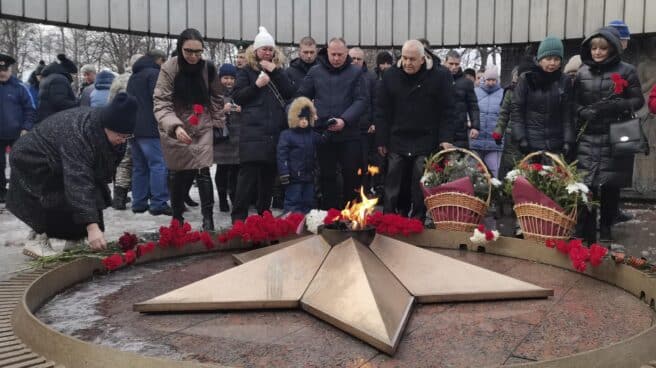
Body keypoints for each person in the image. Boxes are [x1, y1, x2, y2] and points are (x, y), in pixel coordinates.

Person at [6, 93, 137, 258]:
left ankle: (75, 239)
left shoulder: (111, 134)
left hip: (59, 158)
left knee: (88, 191)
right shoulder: (79, 133)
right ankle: (37, 238)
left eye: (127, 136)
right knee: (54, 196)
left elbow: (96, 177)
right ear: (107, 126)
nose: (123, 140)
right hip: (32, 158)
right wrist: (91, 227)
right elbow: (78, 180)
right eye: (120, 135)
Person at [573, 28, 644, 243]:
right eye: (594, 48)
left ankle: (606, 228)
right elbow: (573, 102)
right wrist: (582, 112)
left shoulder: (627, 71)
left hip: (615, 136)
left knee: (610, 185)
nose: (597, 52)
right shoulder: (582, 72)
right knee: (587, 185)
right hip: (588, 137)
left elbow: (638, 100)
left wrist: (616, 106)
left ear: (612, 48)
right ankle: (586, 231)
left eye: (602, 48)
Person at [154, 28, 224, 231]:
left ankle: (208, 220)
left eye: (198, 51)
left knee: (203, 171)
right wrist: (174, 126)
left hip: (201, 124)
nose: (193, 56)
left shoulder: (208, 68)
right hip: (175, 125)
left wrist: (217, 123)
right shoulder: (169, 68)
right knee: (177, 173)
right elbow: (161, 102)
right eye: (188, 51)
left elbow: (217, 97)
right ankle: (177, 219)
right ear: (180, 48)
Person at [376, 40, 455, 219]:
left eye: (412, 59)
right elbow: (381, 110)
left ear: (423, 59)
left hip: (426, 138)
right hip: (397, 137)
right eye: (404, 58)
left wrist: (445, 138)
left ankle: (418, 218)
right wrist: (381, 139)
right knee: (393, 178)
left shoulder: (440, 76)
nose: (407, 63)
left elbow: (448, 110)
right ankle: (390, 216)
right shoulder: (390, 76)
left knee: (420, 179)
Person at [231, 26, 294, 222]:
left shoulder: (279, 70)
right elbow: (238, 97)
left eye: (270, 49)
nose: (267, 52)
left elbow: (291, 92)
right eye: (263, 49)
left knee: (268, 180)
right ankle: (238, 219)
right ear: (256, 50)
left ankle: (264, 217)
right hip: (252, 134)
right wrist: (256, 86)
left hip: (274, 133)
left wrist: (276, 73)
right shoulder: (246, 71)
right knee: (246, 180)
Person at [297, 37, 368, 209]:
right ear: (327, 52)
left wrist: (344, 120)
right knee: (326, 176)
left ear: (346, 53)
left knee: (351, 176)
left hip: (349, 135)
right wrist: (307, 115)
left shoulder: (356, 72)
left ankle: (351, 213)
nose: (336, 58)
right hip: (324, 134)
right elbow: (301, 97)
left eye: (340, 55)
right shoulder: (315, 72)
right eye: (333, 54)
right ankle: (330, 214)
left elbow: (361, 101)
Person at [510, 36, 573, 157]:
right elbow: (517, 110)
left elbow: (567, 113)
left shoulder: (564, 81)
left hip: (556, 144)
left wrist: (568, 141)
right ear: (540, 59)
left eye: (556, 59)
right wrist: (521, 138)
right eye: (548, 59)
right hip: (530, 143)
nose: (552, 63)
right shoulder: (526, 79)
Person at [127, 50, 171, 216]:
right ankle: (158, 203)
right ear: (158, 60)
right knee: (158, 165)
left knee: (139, 166)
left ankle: (139, 202)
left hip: (133, 127)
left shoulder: (134, 76)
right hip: (150, 128)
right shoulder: (154, 74)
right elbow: (159, 100)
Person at [277, 97, 325, 214]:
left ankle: (306, 226)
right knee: (293, 201)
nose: (304, 121)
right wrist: (284, 173)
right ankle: (292, 225)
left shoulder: (312, 135)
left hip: (309, 176)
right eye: (300, 118)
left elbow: (323, 140)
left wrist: (326, 126)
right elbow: (281, 155)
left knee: (309, 202)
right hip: (293, 177)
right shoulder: (287, 135)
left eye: (306, 118)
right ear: (294, 118)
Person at [110, 54, 145, 210]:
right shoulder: (144, 78)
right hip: (141, 125)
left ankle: (119, 196)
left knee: (124, 161)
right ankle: (143, 194)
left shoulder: (119, 79)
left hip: (121, 123)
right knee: (140, 162)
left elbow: (110, 102)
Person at [0, 53, 35, 204]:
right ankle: (1, 192)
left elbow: (30, 109)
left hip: (17, 134)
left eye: (5, 69)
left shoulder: (20, 87)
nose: (2, 72)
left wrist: (26, 127)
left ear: (10, 70)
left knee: (19, 164)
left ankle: (18, 193)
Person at [349, 47, 378, 193]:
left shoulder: (371, 77)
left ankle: (364, 193)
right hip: (346, 127)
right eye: (352, 58)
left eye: (358, 59)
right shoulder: (343, 74)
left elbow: (376, 100)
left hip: (365, 128)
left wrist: (374, 122)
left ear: (363, 61)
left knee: (364, 162)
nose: (355, 61)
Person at [214, 63, 241, 212]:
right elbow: (209, 113)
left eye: (231, 78)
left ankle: (234, 196)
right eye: (225, 78)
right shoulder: (215, 94)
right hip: (221, 138)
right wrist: (222, 110)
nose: (229, 81)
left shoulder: (239, 93)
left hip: (237, 137)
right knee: (222, 169)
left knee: (235, 170)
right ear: (220, 79)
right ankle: (222, 198)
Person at [443, 50, 480, 149]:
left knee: (460, 163)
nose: (454, 67)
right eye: (451, 64)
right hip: (440, 132)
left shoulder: (466, 82)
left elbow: (473, 106)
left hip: (460, 132)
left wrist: (475, 126)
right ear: (445, 62)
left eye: (457, 64)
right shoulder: (437, 79)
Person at [471, 68, 504, 177]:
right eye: (488, 79)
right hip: (475, 141)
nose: (491, 82)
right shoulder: (474, 92)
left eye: (493, 80)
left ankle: (494, 193)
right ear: (484, 79)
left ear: (497, 80)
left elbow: (505, 116)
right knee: (473, 174)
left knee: (494, 172)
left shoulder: (503, 94)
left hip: (494, 143)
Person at [36, 54, 78, 123]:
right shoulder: (60, 79)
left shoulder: (49, 77)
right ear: (68, 71)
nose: (74, 78)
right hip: (54, 120)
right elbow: (59, 102)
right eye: (74, 74)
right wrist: (77, 103)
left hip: (46, 118)